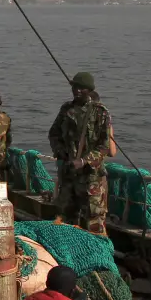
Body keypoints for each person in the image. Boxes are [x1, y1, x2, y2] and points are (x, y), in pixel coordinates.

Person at [47, 71, 116, 234]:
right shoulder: (66, 109)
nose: (77, 91)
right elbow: (53, 133)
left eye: (81, 88)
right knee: (65, 220)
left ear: (89, 90)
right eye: (75, 87)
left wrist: (84, 161)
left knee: (94, 222)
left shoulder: (100, 112)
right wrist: (61, 152)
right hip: (69, 175)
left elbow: (104, 146)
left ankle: (97, 255)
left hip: (91, 178)